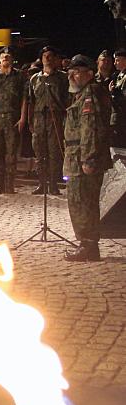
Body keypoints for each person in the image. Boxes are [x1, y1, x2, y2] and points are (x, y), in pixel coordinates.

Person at [62, 55, 113, 262]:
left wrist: (88, 159)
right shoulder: (83, 93)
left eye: (77, 71)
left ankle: (88, 246)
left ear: (90, 74)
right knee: (82, 201)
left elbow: (90, 128)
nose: (72, 75)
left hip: (82, 158)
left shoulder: (90, 93)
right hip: (77, 157)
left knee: (82, 202)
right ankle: (88, 245)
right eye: (71, 72)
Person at [27, 46, 69, 195]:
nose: (48, 58)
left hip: (55, 118)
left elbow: (67, 99)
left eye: (51, 56)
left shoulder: (62, 78)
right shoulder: (35, 78)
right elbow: (31, 101)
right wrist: (29, 121)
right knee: (40, 153)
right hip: (39, 119)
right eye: (45, 56)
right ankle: (41, 184)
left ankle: (53, 184)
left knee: (54, 153)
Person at [0, 47, 27, 194]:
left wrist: (22, 117)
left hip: (12, 118)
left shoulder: (19, 76)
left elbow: (24, 98)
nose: (5, 59)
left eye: (8, 57)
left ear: (12, 59)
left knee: (10, 153)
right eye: (3, 57)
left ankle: (9, 185)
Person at [110, 49, 126, 147]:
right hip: (117, 116)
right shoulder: (117, 75)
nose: (115, 63)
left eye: (117, 60)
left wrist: (113, 92)